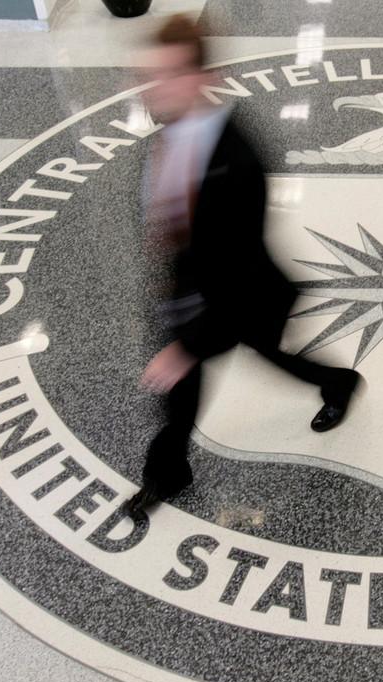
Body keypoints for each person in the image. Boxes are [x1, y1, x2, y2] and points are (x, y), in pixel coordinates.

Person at [124, 15, 360, 520]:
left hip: (242, 296)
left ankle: (339, 382)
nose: (153, 89)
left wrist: (184, 348)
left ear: (199, 78)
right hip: (193, 290)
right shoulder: (171, 130)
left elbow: (236, 271)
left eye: (166, 76)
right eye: (150, 75)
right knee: (180, 398)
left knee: (264, 357)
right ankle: (168, 475)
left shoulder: (239, 162)